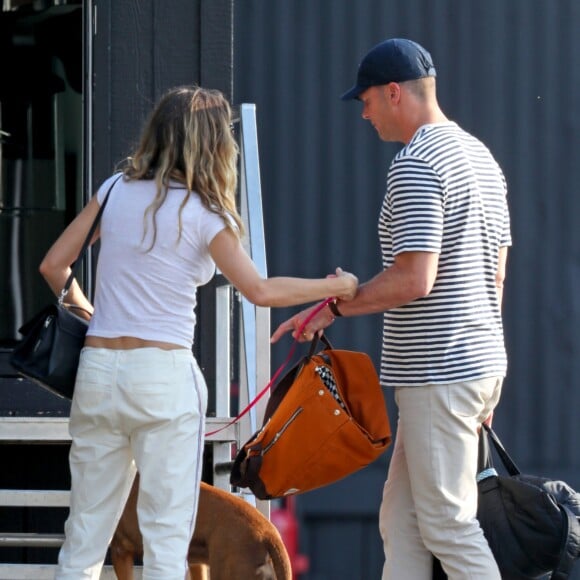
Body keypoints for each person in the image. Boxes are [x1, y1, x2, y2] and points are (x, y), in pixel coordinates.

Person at [40, 85, 358, 579]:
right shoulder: (205, 211)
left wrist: (93, 316)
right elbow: (259, 290)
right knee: (167, 543)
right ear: (212, 144)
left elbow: (54, 265)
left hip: (98, 372)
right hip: (162, 378)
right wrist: (335, 285)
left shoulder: (113, 191)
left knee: (84, 539)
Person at [271, 38, 511, 579]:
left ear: (394, 92)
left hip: (439, 370)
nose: (364, 112)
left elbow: (414, 279)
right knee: (400, 520)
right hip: (472, 366)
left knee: (448, 524)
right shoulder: (481, 158)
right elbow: (494, 273)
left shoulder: (417, 162)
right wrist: (487, 368)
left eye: (367, 100)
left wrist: (338, 303)